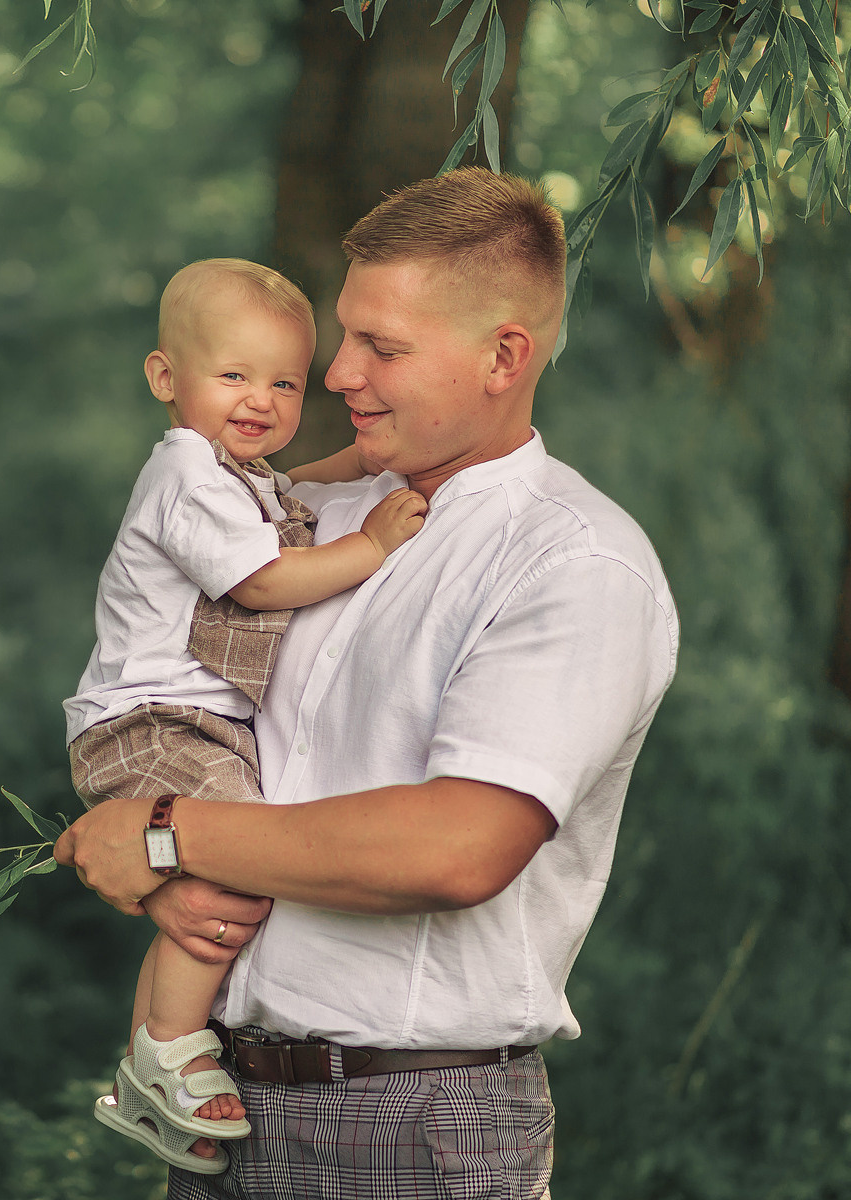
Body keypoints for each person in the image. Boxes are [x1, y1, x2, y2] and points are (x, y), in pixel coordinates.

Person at [55, 168, 679, 1200]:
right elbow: (184, 701)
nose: (338, 373)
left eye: (382, 348)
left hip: (413, 1124)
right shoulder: (308, 516)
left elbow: (457, 847)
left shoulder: (574, 563)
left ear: (503, 356)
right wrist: (179, 876)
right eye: (344, 336)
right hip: (225, 1104)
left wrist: (165, 836)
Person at [63, 257, 427, 1175]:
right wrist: (369, 544)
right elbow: (264, 578)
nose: (259, 398)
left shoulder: (239, 473)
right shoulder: (186, 473)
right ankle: (171, 1045)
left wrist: (381, 458)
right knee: (239, 859)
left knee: (217, 877)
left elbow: (303, 481)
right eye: (233, 375)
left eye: (284, 382)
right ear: (164, 378)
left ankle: (154, 1052)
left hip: (189, 723)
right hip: (151, 721)